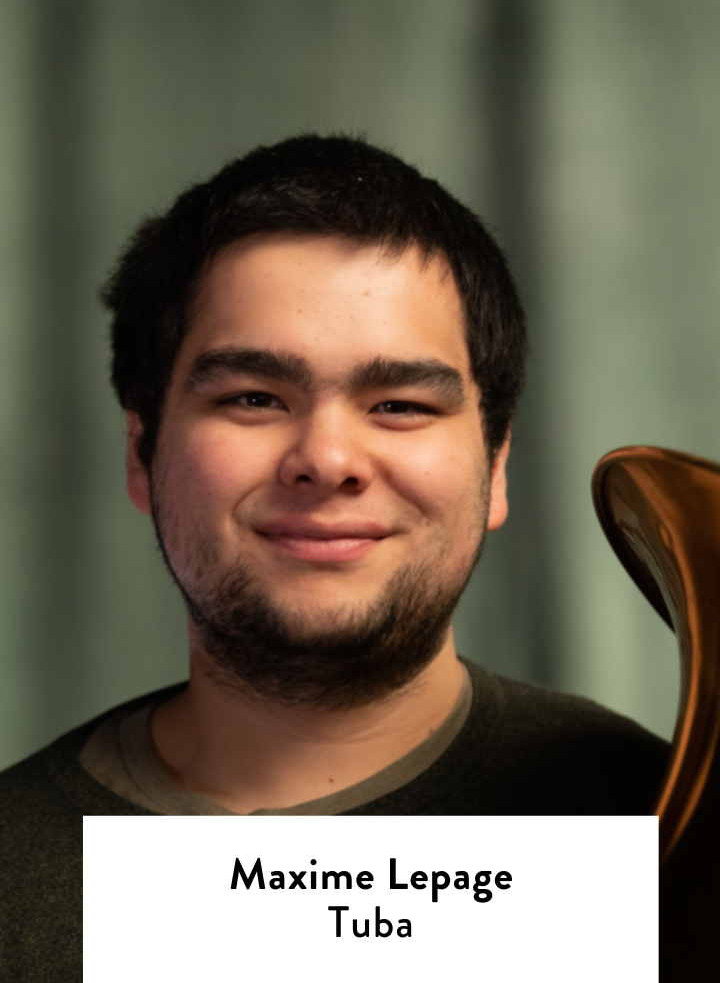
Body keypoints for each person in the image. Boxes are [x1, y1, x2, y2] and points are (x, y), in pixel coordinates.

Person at [0, 135, 669, 975]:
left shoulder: (662, 826)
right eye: (253, 398)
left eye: (399, 404)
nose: (327, 459)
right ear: (142, 453)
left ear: (497, 467)